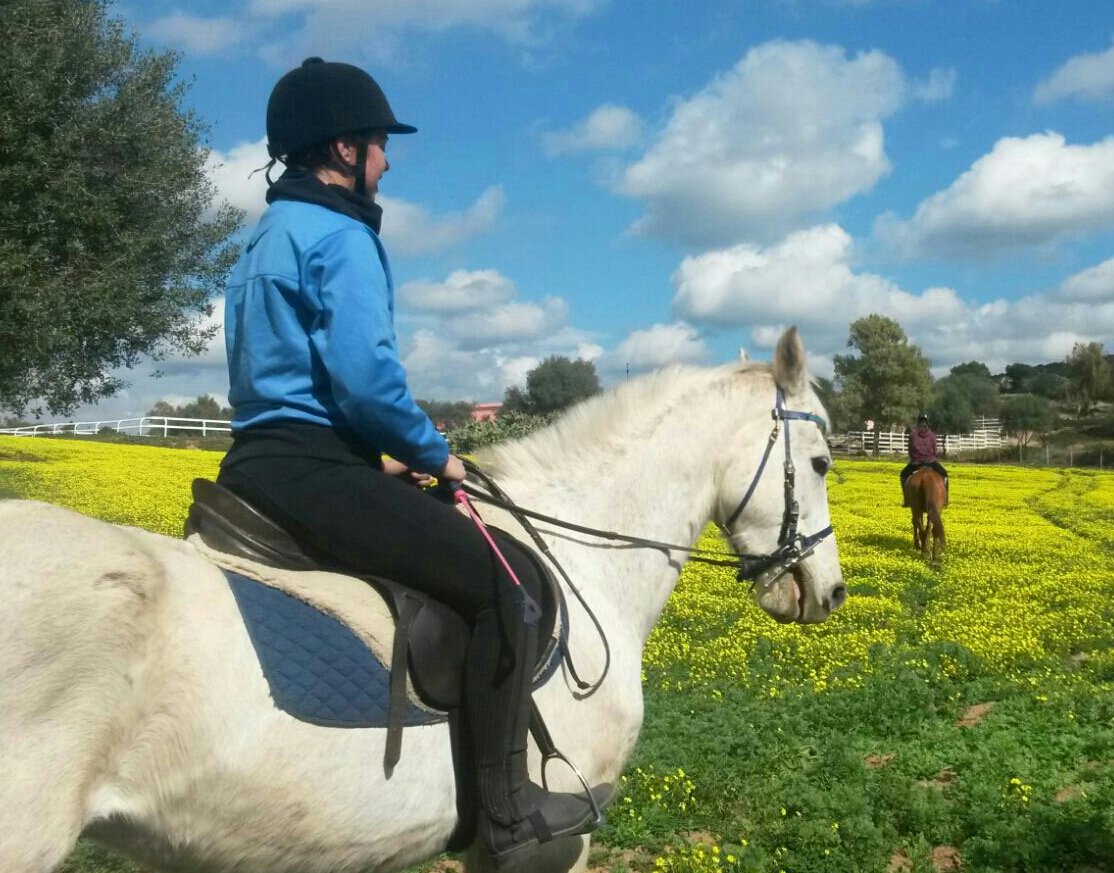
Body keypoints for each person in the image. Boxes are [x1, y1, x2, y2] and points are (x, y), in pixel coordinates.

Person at [215, 57, 603, 866]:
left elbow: (291, 385)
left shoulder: (261, 240)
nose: (388, 160)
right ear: (343, 148)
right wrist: (435, 455)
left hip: (257, 465)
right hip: (313, 473)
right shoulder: (340, 237)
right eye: (380, 144)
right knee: (514, 585)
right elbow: (366, 382)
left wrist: (376, 465)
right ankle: (505, 812)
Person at [900, 412, 948, 506]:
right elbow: (935, 450)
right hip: (930, 462)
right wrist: (934, 457)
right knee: (945, 475)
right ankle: (945, 500)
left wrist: (914, 457)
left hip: (916, 463)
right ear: (927, 423)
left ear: (918, 422)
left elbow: (910, 450)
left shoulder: (913, 435)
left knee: (903, 475)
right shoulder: (932, 435)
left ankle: (906, 500)